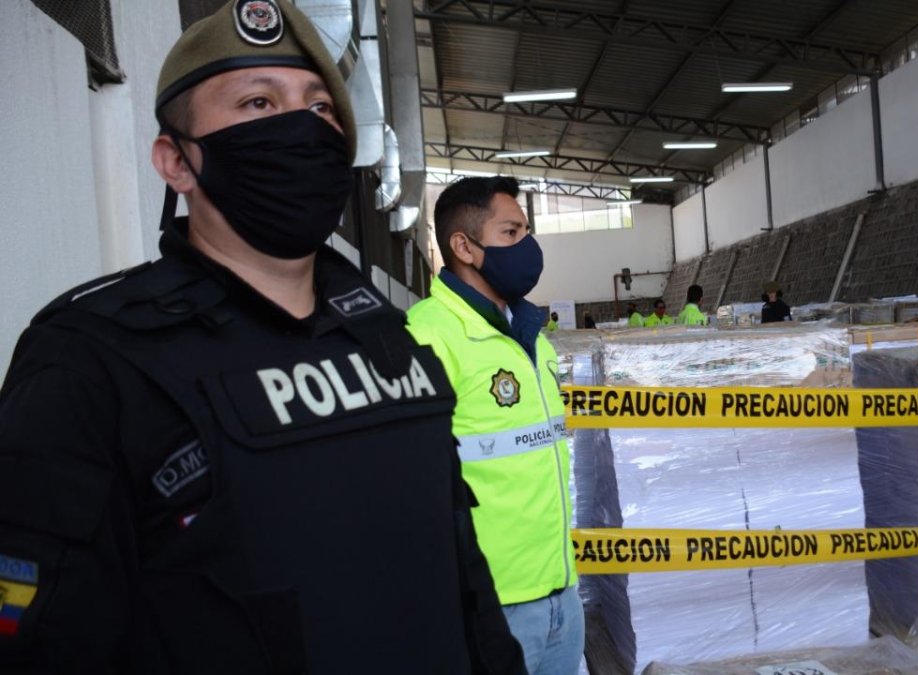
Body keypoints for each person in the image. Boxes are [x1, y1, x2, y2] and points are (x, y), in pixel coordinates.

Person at [0, 2, 523, 673]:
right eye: (258, 102)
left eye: (320, 107)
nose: (301, 127)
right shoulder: (92, 362)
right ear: (176, 161)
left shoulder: (388, 337)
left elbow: (464, 583)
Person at [406, 177, 583, 675]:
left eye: (527, 231)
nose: (527, 245)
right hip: (490, 606)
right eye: (510, 233)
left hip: (561, 591)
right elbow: (410, 485)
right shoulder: (426, 336)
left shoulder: (530, 335)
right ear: (464, 247)